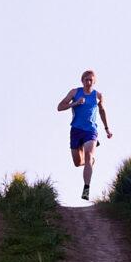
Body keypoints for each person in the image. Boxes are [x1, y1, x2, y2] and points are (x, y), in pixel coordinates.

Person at [56, 70, 112, 200]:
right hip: (76, 130)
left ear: (94, 81)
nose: (88, 82)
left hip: (90, 131)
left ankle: (86, 189)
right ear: (82, 81)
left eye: (90, 80)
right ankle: (90, 162)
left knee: (88, 155)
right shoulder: (75, 92)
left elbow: (102, 112)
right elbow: (59, 107)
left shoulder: (98, 96)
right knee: (77, 162)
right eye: (86, 80)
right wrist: (74, 103)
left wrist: (107, 129)